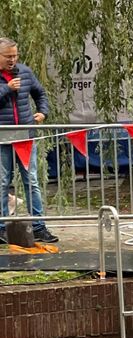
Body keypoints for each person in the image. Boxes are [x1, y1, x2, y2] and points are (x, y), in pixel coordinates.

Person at [0, 37, 57, 245]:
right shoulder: (8, 80)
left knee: (31, 181)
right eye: (8, 56)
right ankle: (2, 228)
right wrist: (7, 88)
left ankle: (39, 227)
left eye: (15, 55)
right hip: (2, 138)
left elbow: (40, 93)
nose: (12, 60)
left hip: (25, 136)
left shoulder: (25, 72)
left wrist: (43, 112)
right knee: (2, 182)